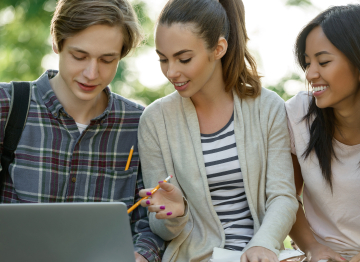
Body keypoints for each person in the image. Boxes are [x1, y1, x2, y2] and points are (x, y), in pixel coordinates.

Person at [0, 0, 164, 261]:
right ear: (56, 42)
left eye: (107, 60)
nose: (91, 73)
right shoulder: (8, 106)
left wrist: (142, 255)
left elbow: (150, 223)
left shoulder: (139, 124)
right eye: (79, 56)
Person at [137, 0, 298, 261]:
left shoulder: (268, 107)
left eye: (184, 58)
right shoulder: (155, 120)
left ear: (218, 48)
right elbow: (161, 230)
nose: (171, 71)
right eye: (163, 59)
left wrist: (264, 244)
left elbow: (283, 196)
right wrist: (175, 213)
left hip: (260, 254)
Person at [285, 4, 360, 262]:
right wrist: (312, 247)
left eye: (323, 62)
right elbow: (284, 197)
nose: (310, 74)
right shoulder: (298, 114)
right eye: (308, 63)